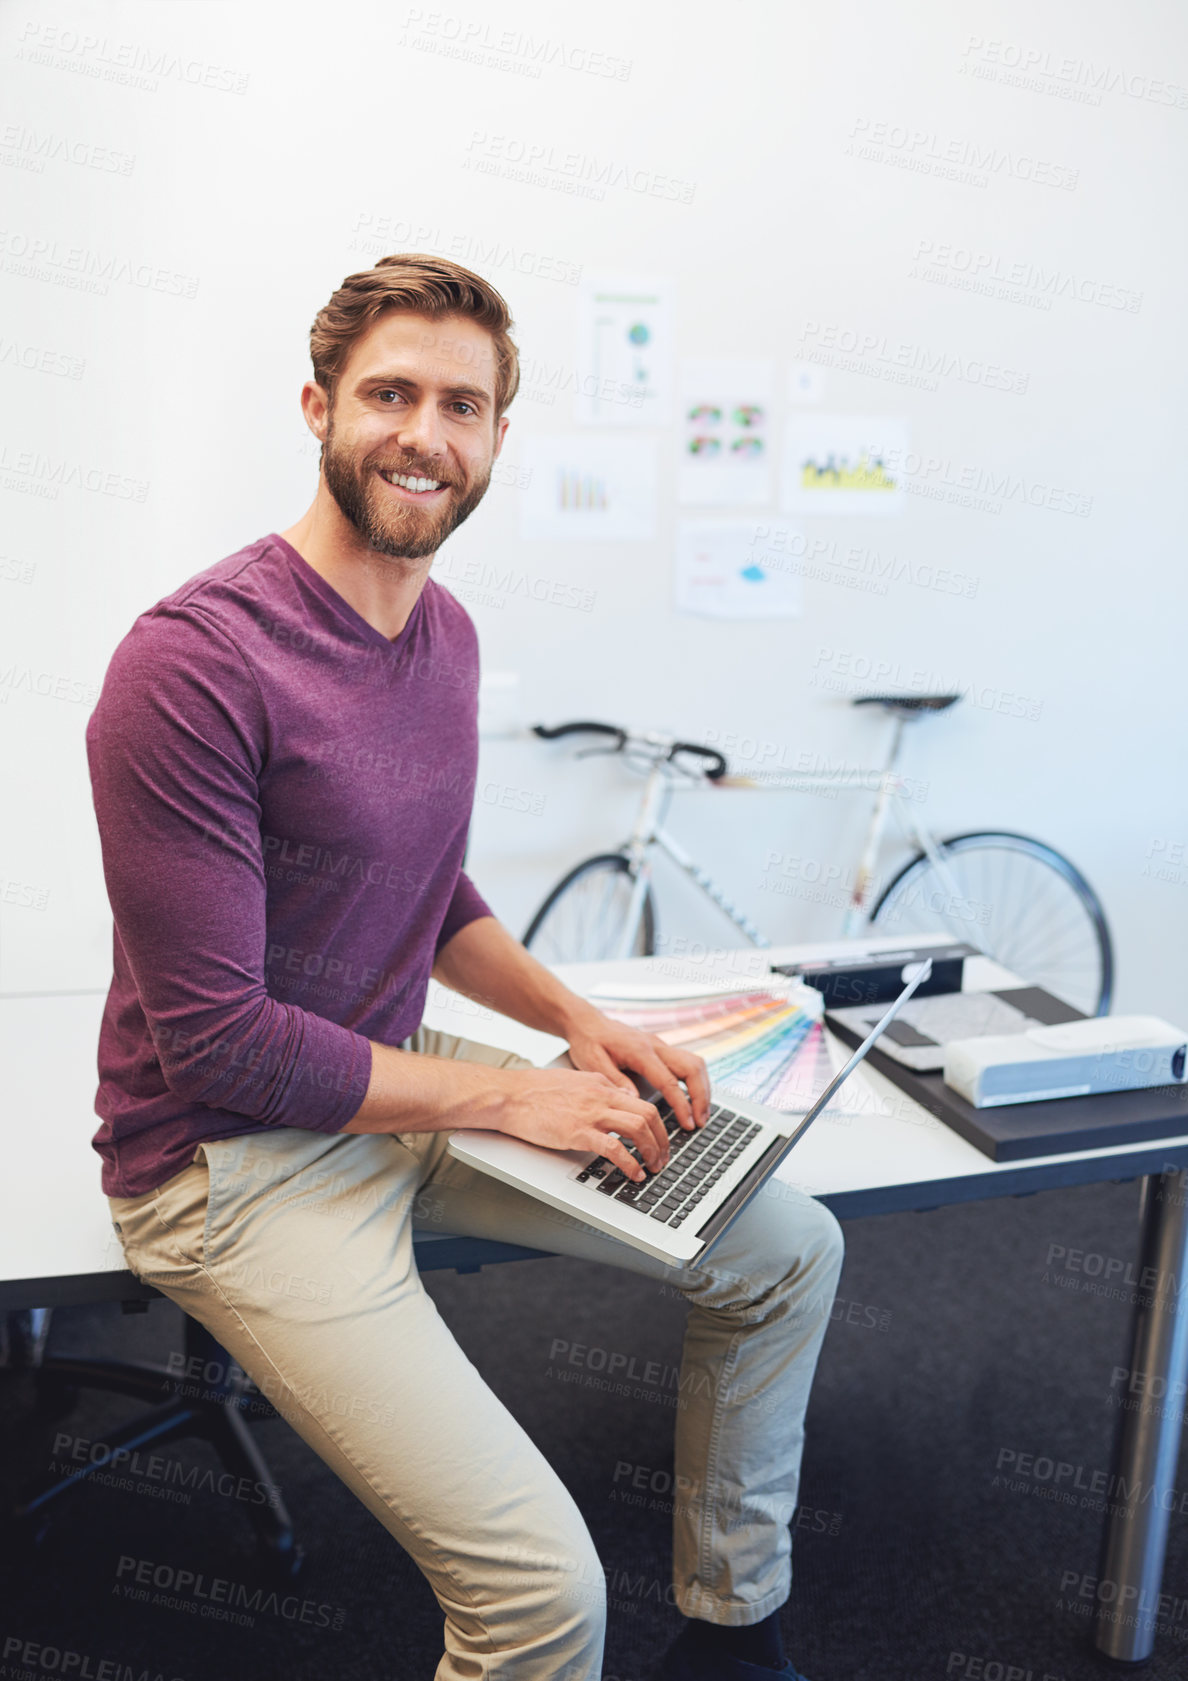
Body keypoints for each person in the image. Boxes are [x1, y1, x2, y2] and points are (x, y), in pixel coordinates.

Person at [88, 253, 844, 1681]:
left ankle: (733, 1633)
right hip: (231, 1164)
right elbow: (224, 1047)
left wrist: (577, 1023)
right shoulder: (190, 666)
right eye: (389, 392)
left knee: (789, 1247)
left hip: (403, 1106)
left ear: (498, 439)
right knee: (546, 1603)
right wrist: (510, 1100)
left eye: (461, 404)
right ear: (318, 406)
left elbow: (428, 892)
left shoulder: (443, 636)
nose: (422, 434)